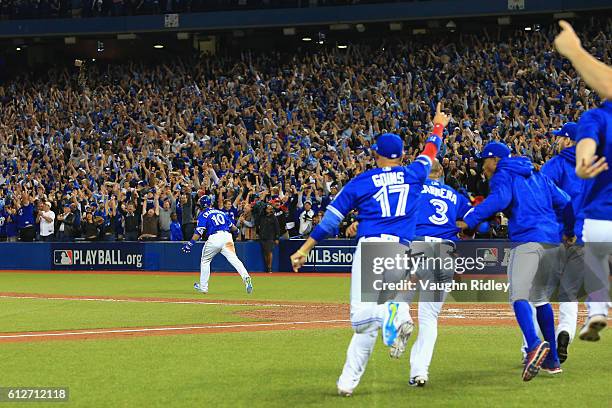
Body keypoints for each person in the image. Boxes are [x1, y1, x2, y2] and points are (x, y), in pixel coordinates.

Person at [290, 102, 450, 397]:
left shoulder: (362, 181)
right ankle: (347, 381)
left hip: (372, 248)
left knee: (361, 319)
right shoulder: (415, 173)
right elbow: (431, 150)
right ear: (402, 155)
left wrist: (305, 248)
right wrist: (438, 124)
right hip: (402, 251)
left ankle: (395, 314)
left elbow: (329, 221)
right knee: (365, 328)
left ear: (376, 154)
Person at [458, 141, 573, 380]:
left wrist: (470, 220)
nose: (483, 165)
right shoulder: (538, 175)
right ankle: (552, 361)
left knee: (518, 295)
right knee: (540, 300)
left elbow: (500, 199)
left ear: (495, 160)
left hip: (528, 240)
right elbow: (567, 203)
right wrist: (568, 231)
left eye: (485, 160)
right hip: (552, 243)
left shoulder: (503, 174)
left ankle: (533, 346)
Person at [574, 98, 612, 341]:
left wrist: (583, 164)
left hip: (601, 216)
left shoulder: (597, 117)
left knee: (595, 260)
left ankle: (597, 310)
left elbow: (586, 144)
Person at [181, 195, 253, 294]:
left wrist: (190, 244)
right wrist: (236, 232)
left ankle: (203, 287)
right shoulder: (221, 212)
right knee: (235, 260)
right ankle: (246, 278)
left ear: (202, 205)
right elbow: (233, 228)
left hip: (215, 238)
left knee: (205, 260)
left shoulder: (203, 214)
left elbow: (199, 232)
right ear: (210, 203)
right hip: (227, 237)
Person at [257, 204, 280, 273]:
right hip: (263, 237)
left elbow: (277, 228)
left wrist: (277, 238)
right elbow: (258, 224)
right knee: (265, 253)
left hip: (270, 237)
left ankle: (269, 267)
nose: (270, 210)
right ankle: (267, 266)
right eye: (268, 208)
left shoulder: (273, 217)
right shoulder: (262, 216)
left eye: (271, 209)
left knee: (269, 252)